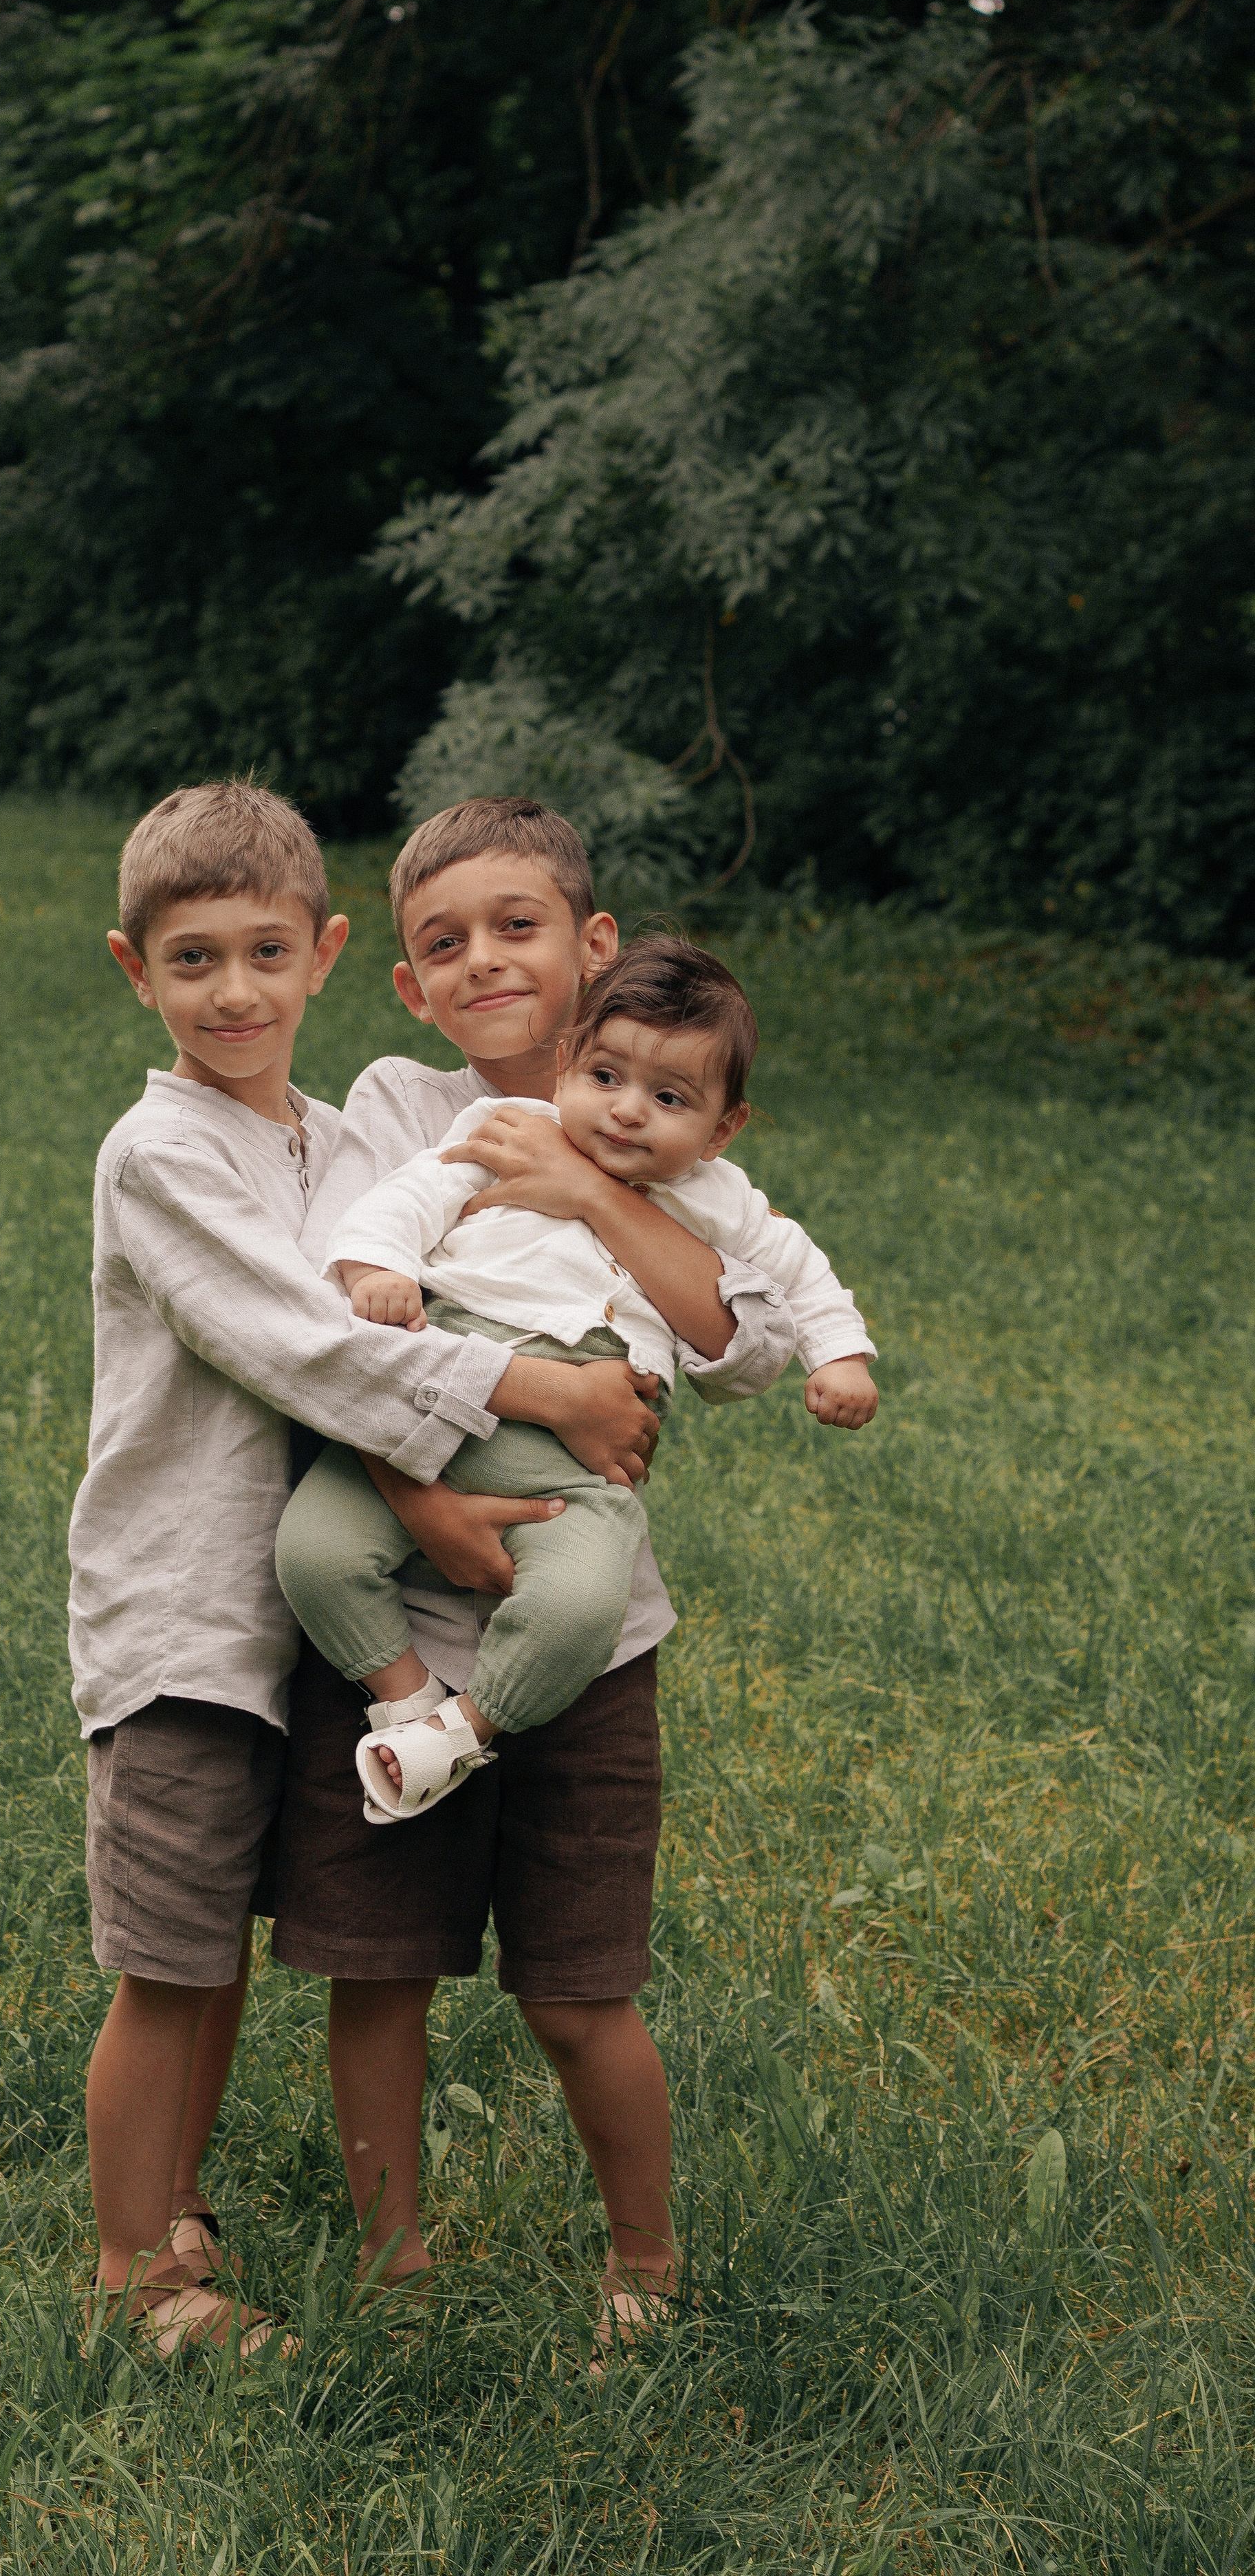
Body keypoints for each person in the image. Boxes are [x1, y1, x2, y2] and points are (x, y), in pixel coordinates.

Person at [270, 796, 874, 2353]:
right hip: (401, 1602)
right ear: (405, 980)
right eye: (444, 941)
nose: (485, 960)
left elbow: (737, 1353)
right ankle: (390, 2268)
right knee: (381, 1966)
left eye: (518, 926)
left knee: (578, 1987)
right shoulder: (399, 1105)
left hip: (589, 1630)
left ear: (592, 946)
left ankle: (644, 2264)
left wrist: (593, 1191)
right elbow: (339, 1327)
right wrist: (426, 1488)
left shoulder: (652, 1114)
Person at [70, 779, 664, 2357]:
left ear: (323, 956)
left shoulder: (328, 1139)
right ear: (134, 970)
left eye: (266, 953)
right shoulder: (163, 1153)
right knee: (168, 1954)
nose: (236, 992)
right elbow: (308, 1348)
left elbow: (400, 1302)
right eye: (192, 961)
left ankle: (175, 2210)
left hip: (289, 1616)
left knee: (216, 1952)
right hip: (185, 1610)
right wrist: (539, 1399)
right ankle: (138, 2278)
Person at [275, 930, 877, 1821]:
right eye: (606, 1078)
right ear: (567, 1067)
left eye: (668, 1097)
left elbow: (796, 1273)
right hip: (438, 1403)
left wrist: (841, 1356)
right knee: (313, 1551)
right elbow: (409, 1197)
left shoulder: (720, 1199)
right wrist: (378, 1268)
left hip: (579, 1470)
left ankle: (465, 1733)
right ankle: (406, 1705)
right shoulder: (506, 1130)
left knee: (582, 1606)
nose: (628, 1110)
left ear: (723, 1127)